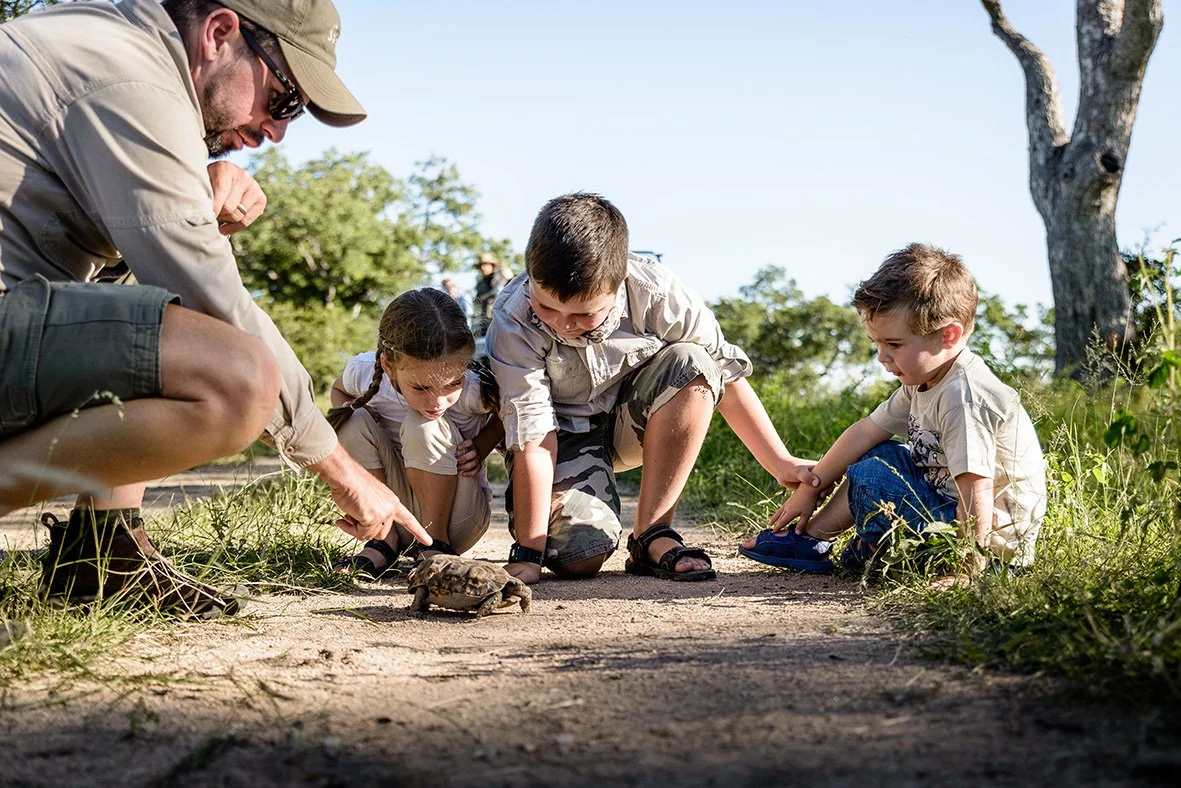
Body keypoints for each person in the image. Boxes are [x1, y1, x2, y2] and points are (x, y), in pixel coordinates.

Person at [0, 0, 428, 619]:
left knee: (169, 327)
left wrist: (194, 195)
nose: (276, 131)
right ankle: (100, 551)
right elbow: (212, 297)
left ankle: (102, 552)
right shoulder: (131, 80)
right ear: (221, 32)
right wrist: (342, 471)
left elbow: (112, 290)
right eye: (283, 101)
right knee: (237, 379)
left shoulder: (99, 39)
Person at [486, 193, 820, 585]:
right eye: (548, 308)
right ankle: (576, 517)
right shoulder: (513, 319)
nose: (564, 324)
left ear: (619, 283)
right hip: (561, 438)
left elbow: (725, 373)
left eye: (584, 314)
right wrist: (528, 552)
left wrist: (780, 462)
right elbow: (534, 436)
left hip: (635, 425)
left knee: (694, 361)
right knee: (577, 555)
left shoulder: (660, 295)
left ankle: (652, 534)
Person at [739, 243, 1047, 578]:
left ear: (948, 336)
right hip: (942, 509)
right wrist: (810, 489)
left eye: (894, 345)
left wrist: (966, 572)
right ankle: (813, 539)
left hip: (990, 551)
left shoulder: (964, 397)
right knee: (879, 453)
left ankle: (898, 554)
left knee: (874, 475)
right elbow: (865, 431)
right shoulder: (924, 380)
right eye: (877, 344)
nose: (882, 357)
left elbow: (976, 490)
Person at [328, 288, 503, 577]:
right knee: (351, 418)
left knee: (422, 422)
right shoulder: (365, 371)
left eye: (451, 384)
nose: (437, 401)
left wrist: (482, 446)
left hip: (459, 518)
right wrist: (360, 412)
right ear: (387, 365)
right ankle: (382, 540)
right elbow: (338, 391)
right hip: (396, 513)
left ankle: (435, 545)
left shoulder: (474, 389)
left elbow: (508, 413)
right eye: (421, 388)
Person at [471, 252, 508, 337]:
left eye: (485, 264)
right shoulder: (480, 285)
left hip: (504, 321)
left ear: (492, 265)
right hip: (487, 323)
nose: (483, 268)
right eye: (481, 265)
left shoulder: (501, 279)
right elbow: (478, 300)